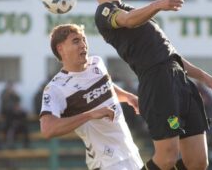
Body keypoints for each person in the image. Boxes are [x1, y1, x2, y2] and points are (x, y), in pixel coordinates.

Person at [81, 0, 212, 170]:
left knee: (198, 162)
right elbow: (127, 20)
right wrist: (158, 4)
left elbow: (171, 55)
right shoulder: (105, 12)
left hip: (180, 81)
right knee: (167, 157)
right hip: (157, 82)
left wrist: (206, 78)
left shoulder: (135, 11)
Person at [39, 24, 143, 170]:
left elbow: (106, 86)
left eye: (83, 39)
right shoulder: (55, 88)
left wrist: (128, 97)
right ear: (60, 49)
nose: (83, 45)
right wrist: (90, 115)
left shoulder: (97, 63)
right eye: (76, 41)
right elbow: (48, 129)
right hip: (106, 163)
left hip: (130, 153)